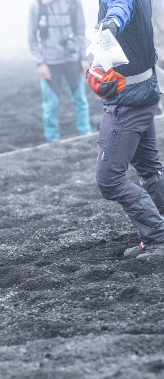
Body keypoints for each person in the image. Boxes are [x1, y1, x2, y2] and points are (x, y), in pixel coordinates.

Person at [92, 0, 164, 259]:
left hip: (129, 101)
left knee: (108, 179)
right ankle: (159, 235)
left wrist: (111, 24)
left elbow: (120, 7)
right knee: (149, 167)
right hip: (143, 91)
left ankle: (158, 238)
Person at [28, 0, 91, 142]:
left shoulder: (74, 3)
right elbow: (31, 38)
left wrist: (83, 57)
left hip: (73, 59)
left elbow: (80, 31)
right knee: (50, 104)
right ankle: (52, 140)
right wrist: (40, 63)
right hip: (50, 62)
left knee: (80, 99)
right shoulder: (37, 5)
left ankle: (86, 134)